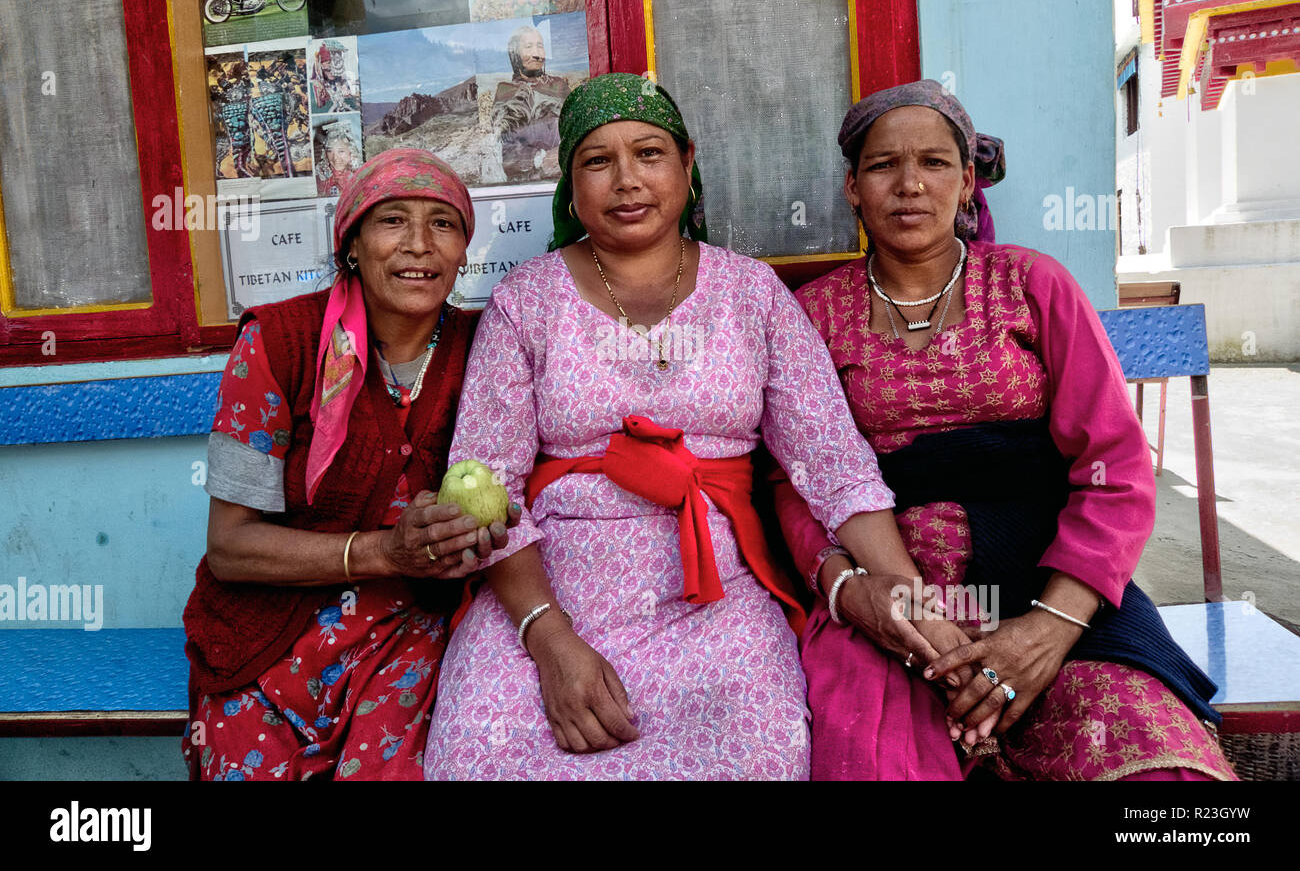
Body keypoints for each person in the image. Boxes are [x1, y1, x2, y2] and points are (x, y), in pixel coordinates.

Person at [423, 73, 920, 780]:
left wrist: (907, 595)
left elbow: (832, 464)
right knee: (480, 754)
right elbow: (487, 491)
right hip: (547, 599)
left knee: (762, 752)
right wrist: (552, 643)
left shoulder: (752, 294)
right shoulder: (524, 303)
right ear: (571, 182)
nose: (627, 180)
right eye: (598, 161)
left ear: (687, 165)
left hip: (710, 600)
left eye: (649, 154)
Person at [774, 79, 1237, 781]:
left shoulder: (1032, 284)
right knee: (874, 758)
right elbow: (791, 480)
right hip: (889, 605)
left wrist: (1051, 628)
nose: (908, 185)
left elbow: (1113, 465)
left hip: (1049, 586)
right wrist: (848, 590)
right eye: (882, 166)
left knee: (1154, 775)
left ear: (967, 184)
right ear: (851, 189)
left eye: (934, 163)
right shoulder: (809, 316)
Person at [182, 148, 519, 780]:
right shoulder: (278, 343)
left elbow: (521, 489)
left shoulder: (491, 346)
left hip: (413, 631)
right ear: (353, 245)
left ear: (463, 251)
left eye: (443, 225)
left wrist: (483, 529)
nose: (419, 245)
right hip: (269, 634)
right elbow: (229, 546)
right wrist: (385, 551)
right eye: (392, 220)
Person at [492, 26, 570, 182]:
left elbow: (574, 127)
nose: (536, 54)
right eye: (528, 47)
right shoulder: (505, 91)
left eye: (540, 46)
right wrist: (539, 158)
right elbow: (505, 144)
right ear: (515, 55)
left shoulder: (559, 86)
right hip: (523, 179)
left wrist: (561, 152)